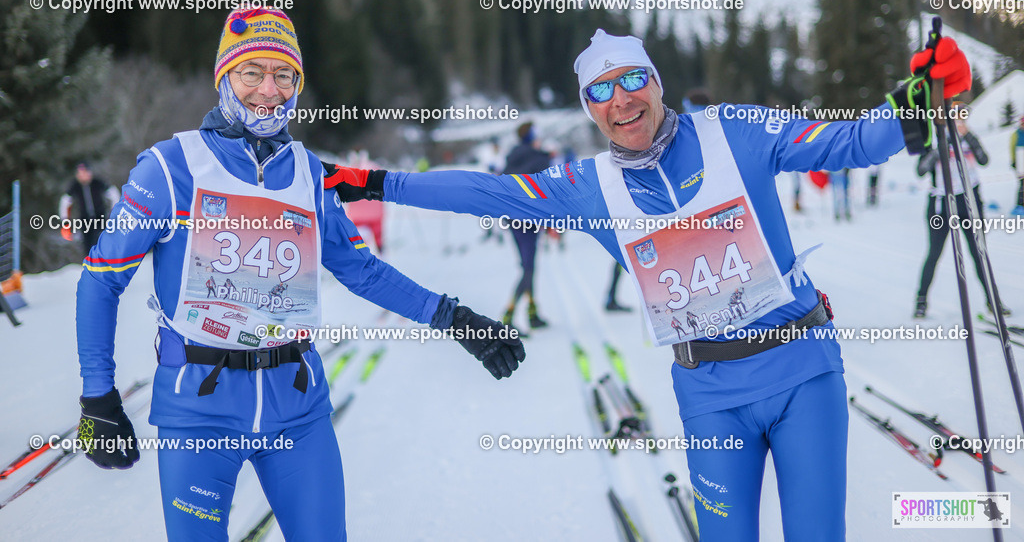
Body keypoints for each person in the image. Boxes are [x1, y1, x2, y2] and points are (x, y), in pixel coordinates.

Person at [326, 28, 972, 540]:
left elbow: (846, 143)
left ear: (656, 83)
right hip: (710, 393)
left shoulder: (734, 132)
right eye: (601, 90)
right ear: (588, 108)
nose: (622, 99)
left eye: (634, 79)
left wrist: (915, 98)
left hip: (803, 372)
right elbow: (485, 190)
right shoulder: (588, 188)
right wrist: (381, 183)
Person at [74, 6, 525, 542]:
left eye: (283, 75)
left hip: (297, 406)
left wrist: (456, 319)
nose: (269, 89)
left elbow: (361, 271)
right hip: (198, 412)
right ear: (225, 76)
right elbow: (102, 279)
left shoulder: (310, 175)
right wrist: (97, 397)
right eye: (252, 72)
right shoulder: (172, 168)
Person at [913, 103, 1010, 319]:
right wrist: (940, 148)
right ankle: (921, 301)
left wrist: (969, 138)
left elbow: (984, 160)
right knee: (934, 254)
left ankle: (993, 301)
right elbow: (920, 170)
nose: (961, 123)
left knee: (979, 253)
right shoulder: (935, 139)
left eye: (963, 119)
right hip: (941, 205)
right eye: (957, 119)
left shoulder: (968, 138)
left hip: (969, 202)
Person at [501, 121, 552, 331]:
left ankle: (532, 312)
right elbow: (543, 178)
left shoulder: (513, 156)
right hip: (526, 221)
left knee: (529, 266)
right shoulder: (534, 157)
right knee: (528, 268)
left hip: (516, 219)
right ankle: (508, 316)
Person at [59, 161, 119, 256]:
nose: (82, 176)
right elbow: (65, 202)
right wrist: (65, 221)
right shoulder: (75, 186)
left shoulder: (97, 182)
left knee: (104, 241)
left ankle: (108, 262)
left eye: (84, 173)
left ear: (89, 173)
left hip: (100, 217)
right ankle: (91, 265)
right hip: (85, 220)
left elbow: (113, 193)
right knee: (88, 246)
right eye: (79, 174)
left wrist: (115, 212)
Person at [1011, 115, 1024, 216]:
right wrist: (1014, 161)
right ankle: (1020, 204)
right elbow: (1012, 147)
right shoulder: (1016, 134)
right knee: (1022, 183)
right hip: (1020, 160)